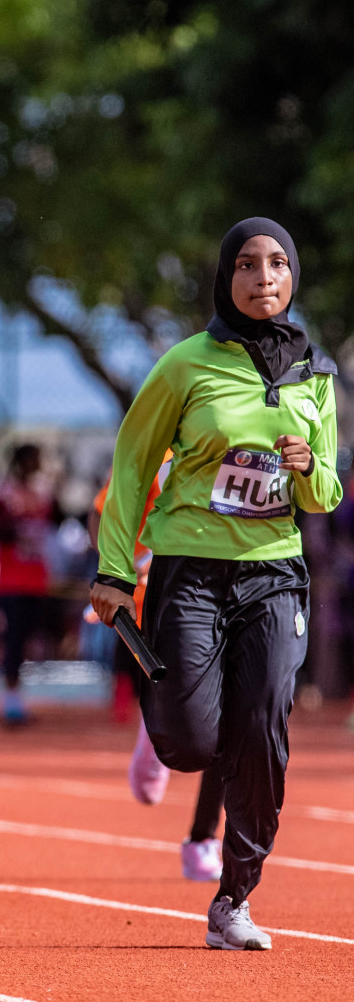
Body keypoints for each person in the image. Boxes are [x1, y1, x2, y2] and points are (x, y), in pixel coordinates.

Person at [91, 217, 340, 950]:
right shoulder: (185, 366)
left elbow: (326, 496)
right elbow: (133, 468)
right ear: (224, 278)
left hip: (273, 572)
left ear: (293, 277)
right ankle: (163, 704)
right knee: (193, 743)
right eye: (246, 266)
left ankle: (235, 897)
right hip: (190, 569)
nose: (263, 278)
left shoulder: (316, 375)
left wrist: (306, 466)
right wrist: (111, 569)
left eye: (276, 265)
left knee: (262, 730)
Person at [90, 454, 225, 884]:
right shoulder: (156, 451)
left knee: (234, 720)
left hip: (236, 591)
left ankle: (203, 839)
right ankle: (159, 721)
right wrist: (120, 567)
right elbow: (103, 513)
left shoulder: (246, 434)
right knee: (185, 699)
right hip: (166, 599)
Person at [0, 443, 56, 726]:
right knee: (12, 639)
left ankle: (17, 696)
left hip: (37, 579)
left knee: (29, 639)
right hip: (10, 580)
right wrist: (16, 531)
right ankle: (9, 699)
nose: (37, 464)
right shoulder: (4, 493)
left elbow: (60, 518)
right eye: (33, 459)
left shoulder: (44, 492)